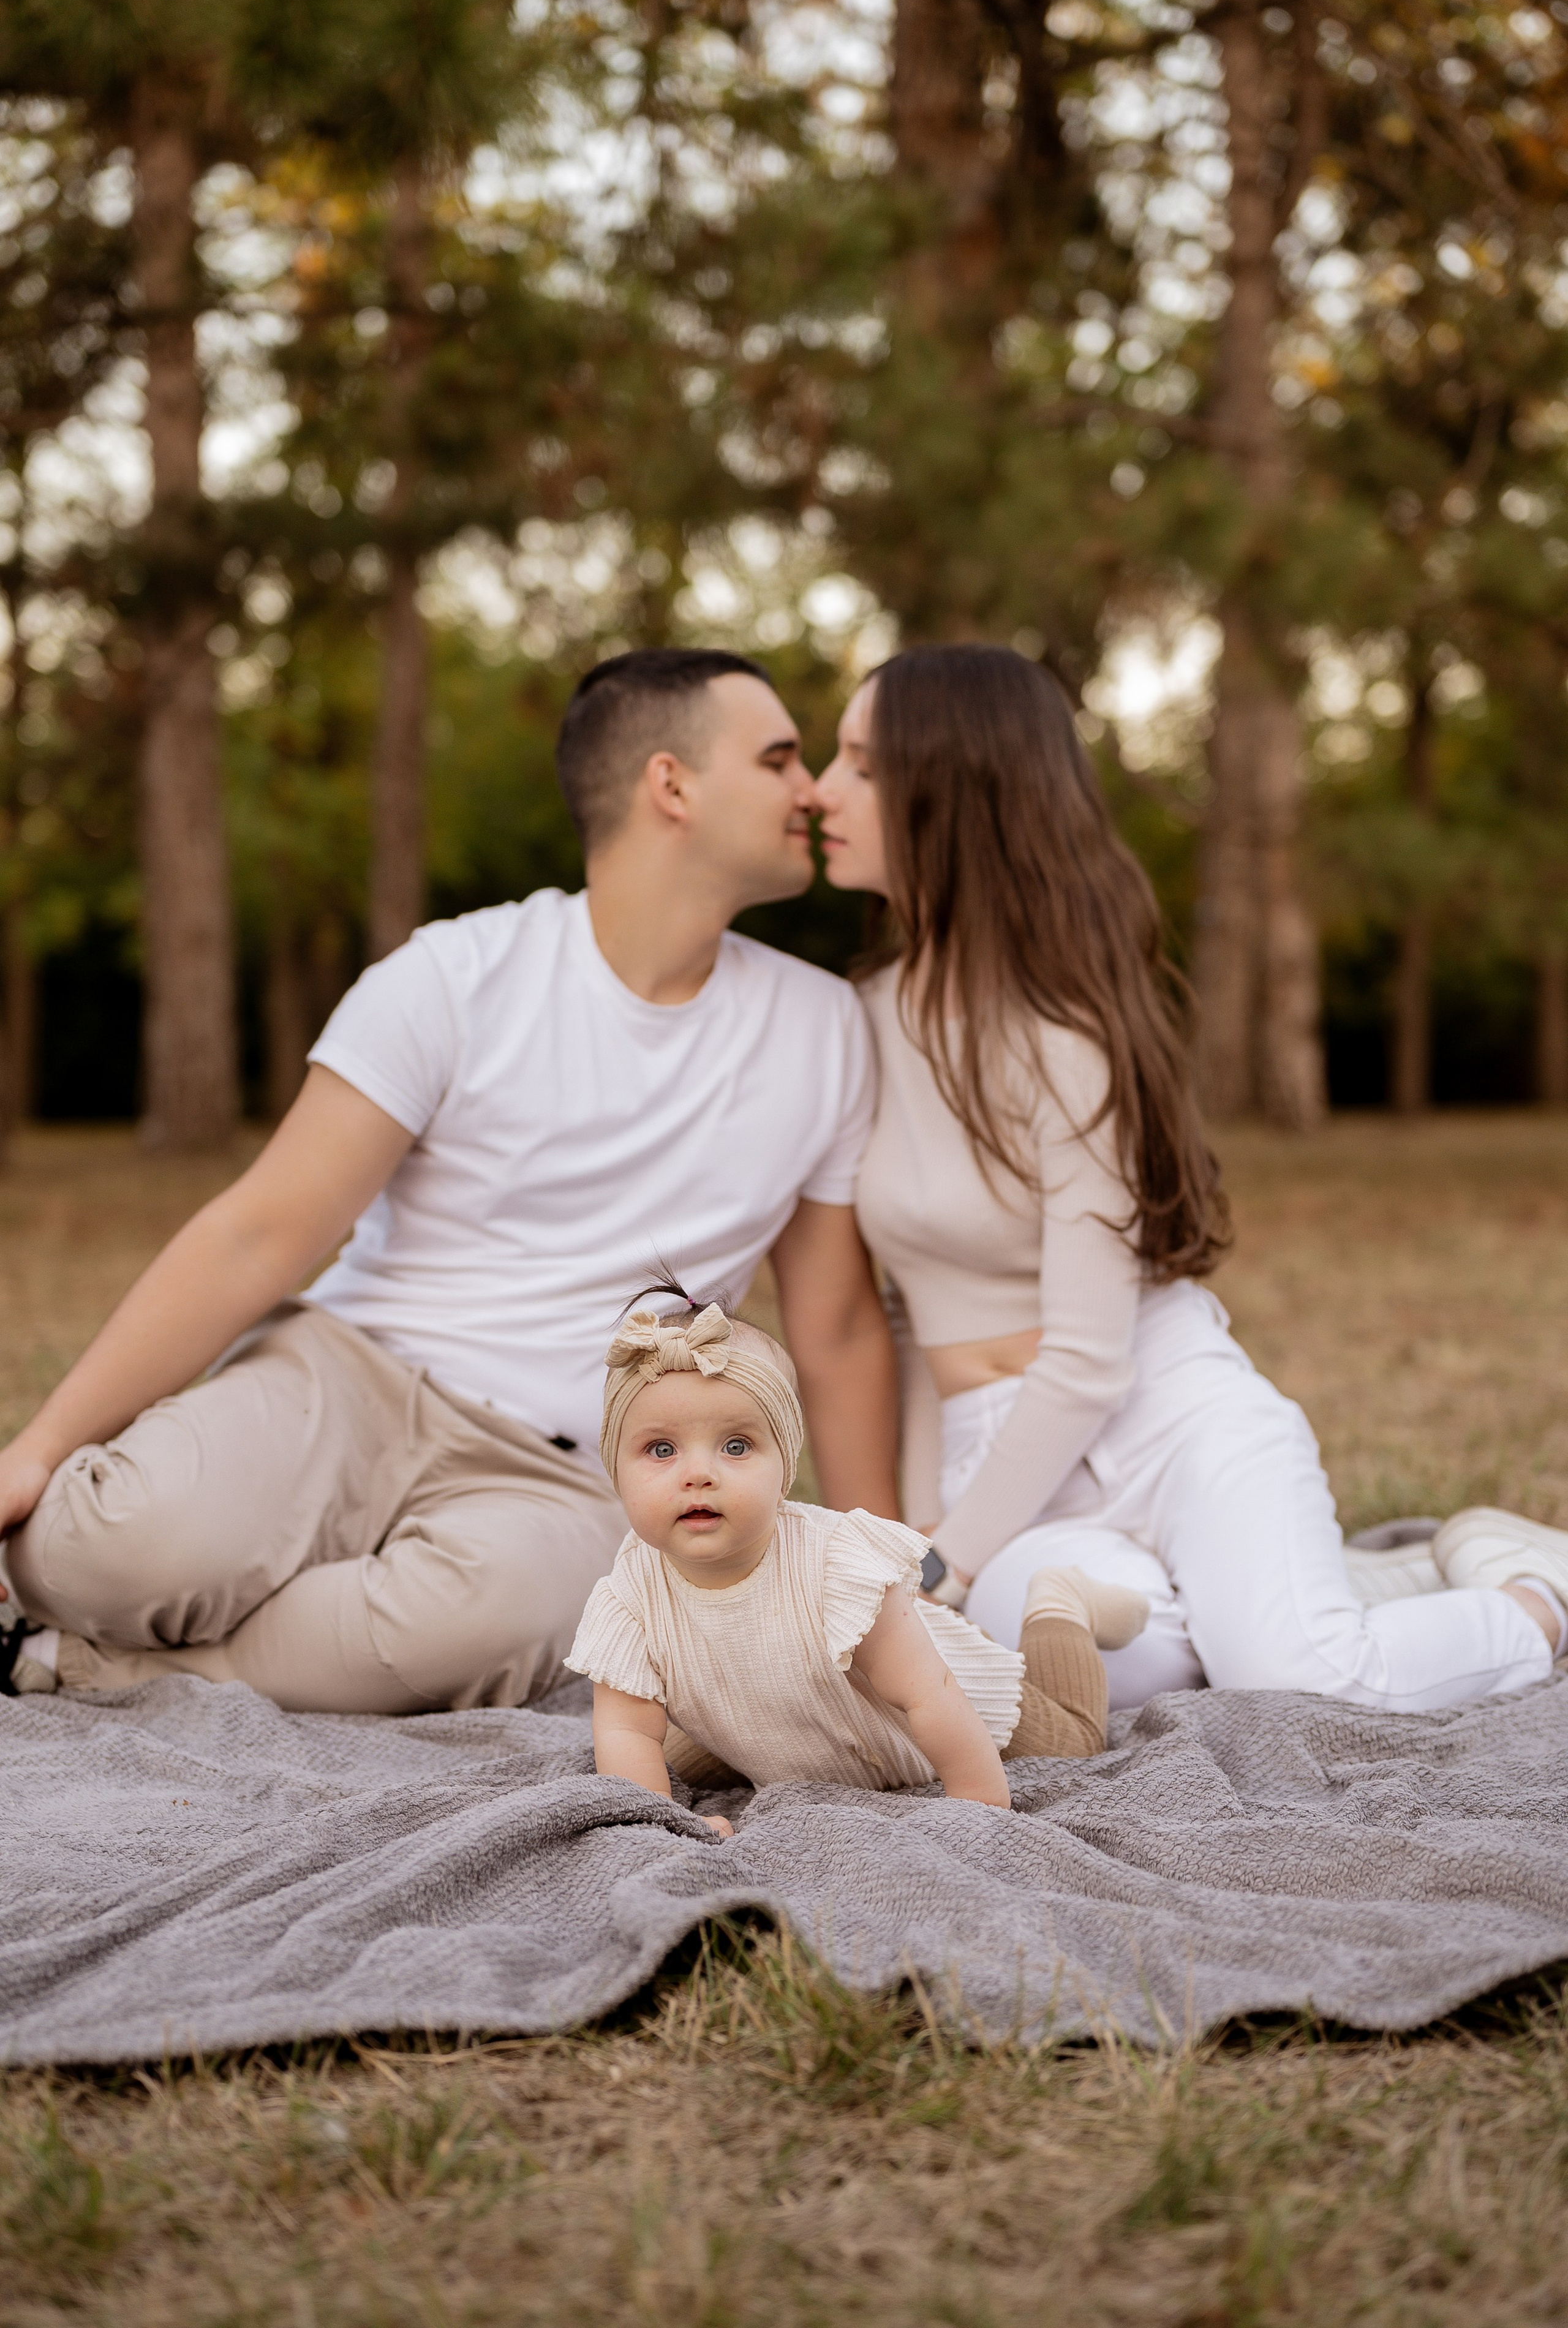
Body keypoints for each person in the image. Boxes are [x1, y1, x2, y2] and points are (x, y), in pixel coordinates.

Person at [0, 650, 899, 1712]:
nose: (812, 791)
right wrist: (42, 1447)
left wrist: (879, 1577)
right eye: (780, 758)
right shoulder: (455, 975)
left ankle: (98, 1665)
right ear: (673, 784)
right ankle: (106, 1601)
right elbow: (260, 1233)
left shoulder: (823, 1028)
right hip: (349, 1377)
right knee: (103, 1551)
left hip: (560, 1470)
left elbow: (836, 1329)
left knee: (495, 1622)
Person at [813, 642, 1568, 1715]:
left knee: (1298, 1680)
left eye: (861, 765)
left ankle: (1539, 1594)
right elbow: (910, 1313)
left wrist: (945, 1564)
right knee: (1063, 1663)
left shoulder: (1066, 1035)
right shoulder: (861, 1020)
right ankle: (1360, 1586)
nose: (822, 790)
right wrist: (925, 1522)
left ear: (954, 793)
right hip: (1005, 1462)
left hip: (1165, 1418)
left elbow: (1088, 1361)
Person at [565, 1295, 1152, 1833]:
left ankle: (1060, 1603)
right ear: (616, 1469)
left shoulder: (832, 1565)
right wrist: (665, 1829)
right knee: (651, 1752)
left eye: (736, 1446)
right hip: (780, 1714)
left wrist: (980, 1807)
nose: (698, 1474)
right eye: (661, 1449)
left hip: (951, 1712)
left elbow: (929, 1693)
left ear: (784, 1467)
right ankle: (749, 1741)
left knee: (1076, 1741)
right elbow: (626, 1730)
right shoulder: (627, 1599)